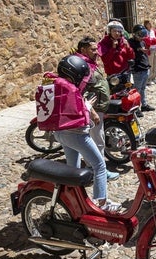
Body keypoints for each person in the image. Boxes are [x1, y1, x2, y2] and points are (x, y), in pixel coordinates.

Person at [52, 55, 121, 212]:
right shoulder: (70, 89)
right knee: (100, 165)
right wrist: (89, 106)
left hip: (61, 133)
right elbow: (77, 113)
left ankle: (72, 202)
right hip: (76, 135)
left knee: (73, 169)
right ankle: (103, 204)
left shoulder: (59, 86)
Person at [76, 37, 119, 181]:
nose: (97, 52)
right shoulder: (83, 66)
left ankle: (92, 166)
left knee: (94, 140)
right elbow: (80, 91)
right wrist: (92, 111)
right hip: (92, 109)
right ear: (83, 50)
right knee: (97, 141)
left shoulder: (90, 64)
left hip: (97, 107)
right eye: (93, 49)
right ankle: (100, 171)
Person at [128, 25, 154, 112]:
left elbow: (144, 52)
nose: (142, 38)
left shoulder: (142, 42)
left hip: (145, 67)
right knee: (137, 90)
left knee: (143, 88)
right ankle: (136, 108)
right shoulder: (130, 42)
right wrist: (139, 49)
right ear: (135, 34)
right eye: (140, 35)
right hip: (138, 69)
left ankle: (144, 104)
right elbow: (131, 52)